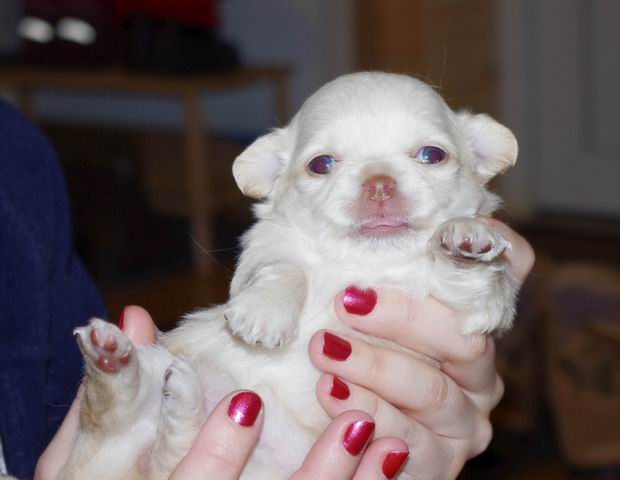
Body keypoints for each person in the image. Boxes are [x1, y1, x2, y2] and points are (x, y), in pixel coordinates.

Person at [0, 100, 535, 479]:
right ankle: (131, 399)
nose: (380, 186)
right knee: (142, 400)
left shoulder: (18, 164)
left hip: (287, 451)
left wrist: (470, 264)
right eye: (323, 164)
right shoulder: (285, 244)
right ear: (277, 175)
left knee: (152, 381)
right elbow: (266, 262)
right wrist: (280, 282)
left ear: (478, 161)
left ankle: (138, 401)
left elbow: (479, 311)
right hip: (212, 409)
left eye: (430, 155)